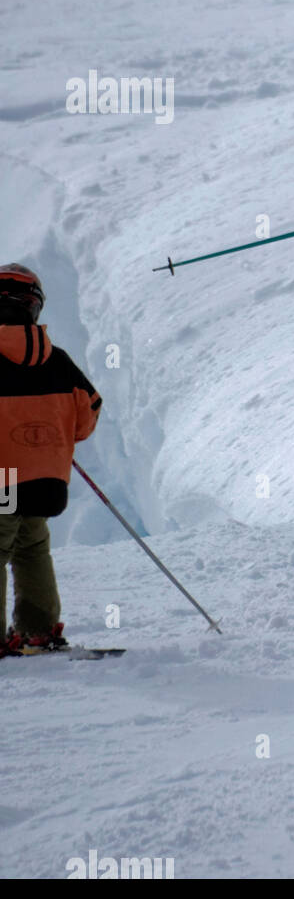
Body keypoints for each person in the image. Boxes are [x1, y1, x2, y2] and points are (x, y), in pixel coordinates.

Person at [0, 264, 102, 654]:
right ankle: (38, 631)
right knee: (31, 547)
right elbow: (88, 412)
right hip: (46, 481)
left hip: (3, 479)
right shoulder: (57, 360)